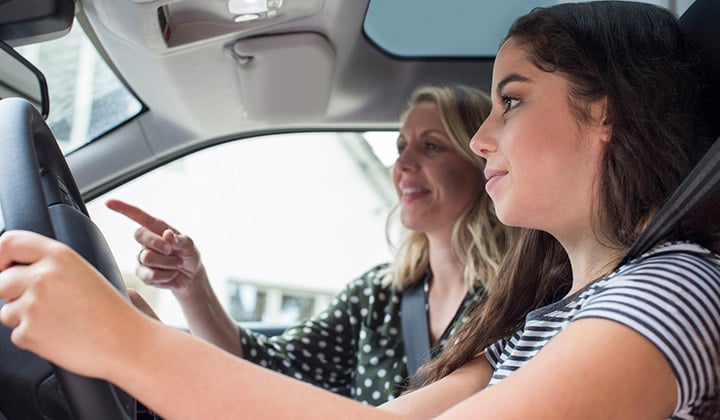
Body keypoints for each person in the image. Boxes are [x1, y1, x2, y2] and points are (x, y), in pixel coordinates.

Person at [1, 2, 719, 419]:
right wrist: (128, 334)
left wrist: (127, 345)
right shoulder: (537, 319)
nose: (481, 138)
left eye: (512, 99)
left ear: (608, 116)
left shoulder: (675, 292)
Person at [102, 83, 511, 404]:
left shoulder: (515, 301)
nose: (402, 164)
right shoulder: (379, 295)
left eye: (432, 145)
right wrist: (192, 287)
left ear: (482, 162)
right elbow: (268, 369)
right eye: (401, 147)